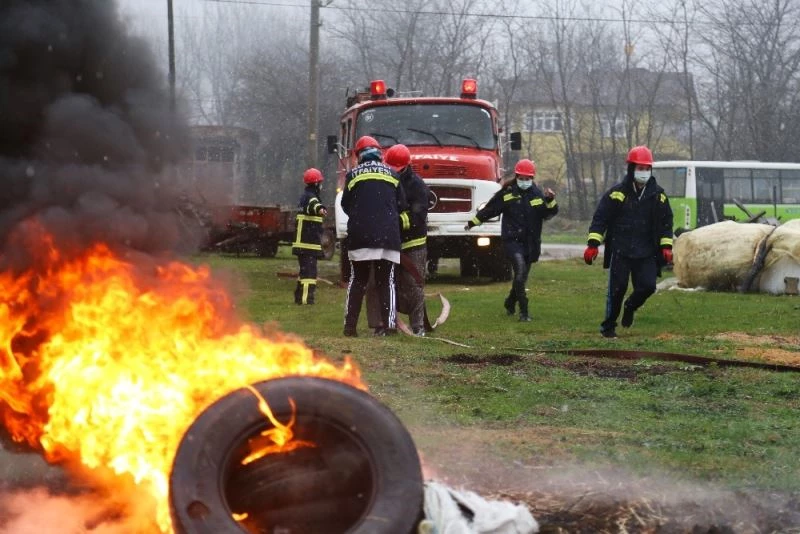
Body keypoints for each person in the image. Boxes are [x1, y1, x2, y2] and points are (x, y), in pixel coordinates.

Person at [583, 145, 674, 338]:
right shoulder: (616, 193)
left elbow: (666, 222)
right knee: (617, 289)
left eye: (647, 168)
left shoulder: (659, 196)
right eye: (640, 168)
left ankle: (630, 306)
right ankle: (608, 327)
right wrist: (593, 244)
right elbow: (601, 219)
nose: (644, 172)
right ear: (631, 169)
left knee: (648, 286)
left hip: (646, 251)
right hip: (621, 249)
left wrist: (666, 246)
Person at [465, 159, 558, 322]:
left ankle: (509, 302)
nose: (524, 182)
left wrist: (550, 201)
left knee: (521, 278)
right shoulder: (507, 194)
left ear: (532, 178)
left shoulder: (537, 195)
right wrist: (473, 222)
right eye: (521, 178)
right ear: (516, 177)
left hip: (531, 243)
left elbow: (547, 214)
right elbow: (490, 210)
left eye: (527, 179)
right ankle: (524, 312)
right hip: (512, 241)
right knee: (520, 272)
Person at [341, 135, 409, 337]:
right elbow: (402, 204)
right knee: (386, 281)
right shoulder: (392, 175)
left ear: (358, 155)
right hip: (387, 237)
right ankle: (389, 326)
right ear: (380, 154)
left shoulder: (352, 175)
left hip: (359, 236)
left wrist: (362, 215)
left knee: (357, 281)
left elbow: (346, 204)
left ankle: (350, 327)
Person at [384, 143, 431, 336]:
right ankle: (390, 324)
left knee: (414, 284)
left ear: (406, 166)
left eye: (398, 169)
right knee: (389, 283)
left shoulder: (417, 185)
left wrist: (395, 221)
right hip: (391, 243)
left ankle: (418, 326)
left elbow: (417, 216)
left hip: (413, 243)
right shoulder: (386, 180)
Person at [291, 168, 328, 304]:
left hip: (304, 243)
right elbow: (314, 206)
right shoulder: (311, 197)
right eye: (320, 182)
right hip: (307, 243)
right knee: (309, 274)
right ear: (316, 183)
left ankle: (299, 298)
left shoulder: (305, 196)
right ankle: (307, 299)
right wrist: (321, 209)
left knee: (304, 272)